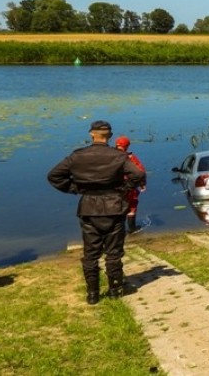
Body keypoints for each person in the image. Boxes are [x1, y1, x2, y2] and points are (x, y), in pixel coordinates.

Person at [47, 120, 146, 305]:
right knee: (113, 252)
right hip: (114, 206)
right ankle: (115, 289)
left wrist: (75, 188)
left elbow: (54, 176)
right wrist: (123, 189)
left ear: (91, 134)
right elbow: (139, 175)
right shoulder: (118, 156)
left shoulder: (77, 156)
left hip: (88, 207)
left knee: (91, 253)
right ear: (109, 136)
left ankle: (92, 294)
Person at [114, 136, 146, 234]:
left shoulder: (109, 156)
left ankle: (117, 230)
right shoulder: (131, 157)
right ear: (127, 146)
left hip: (113, 186)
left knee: (114, 206)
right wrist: (142, 184)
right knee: (132, 205)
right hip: (129, 186)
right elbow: (140, 171)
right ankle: (132, 228)